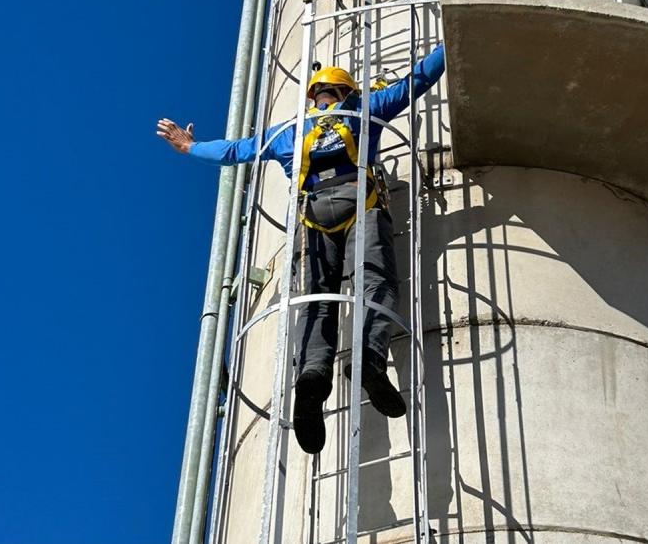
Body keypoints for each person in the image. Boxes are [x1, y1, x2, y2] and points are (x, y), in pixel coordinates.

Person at [157, 43, 445, 453]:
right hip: (360, 201)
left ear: (314, 96)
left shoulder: (290, 131)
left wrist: (189, 147)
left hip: (311, 217)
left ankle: (312, 377)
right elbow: (419, 77)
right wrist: (449, 41)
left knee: (317, 303)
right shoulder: (365, 109)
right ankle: (369, 357)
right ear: (347, 92)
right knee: (375, 283)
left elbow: (236, 151)